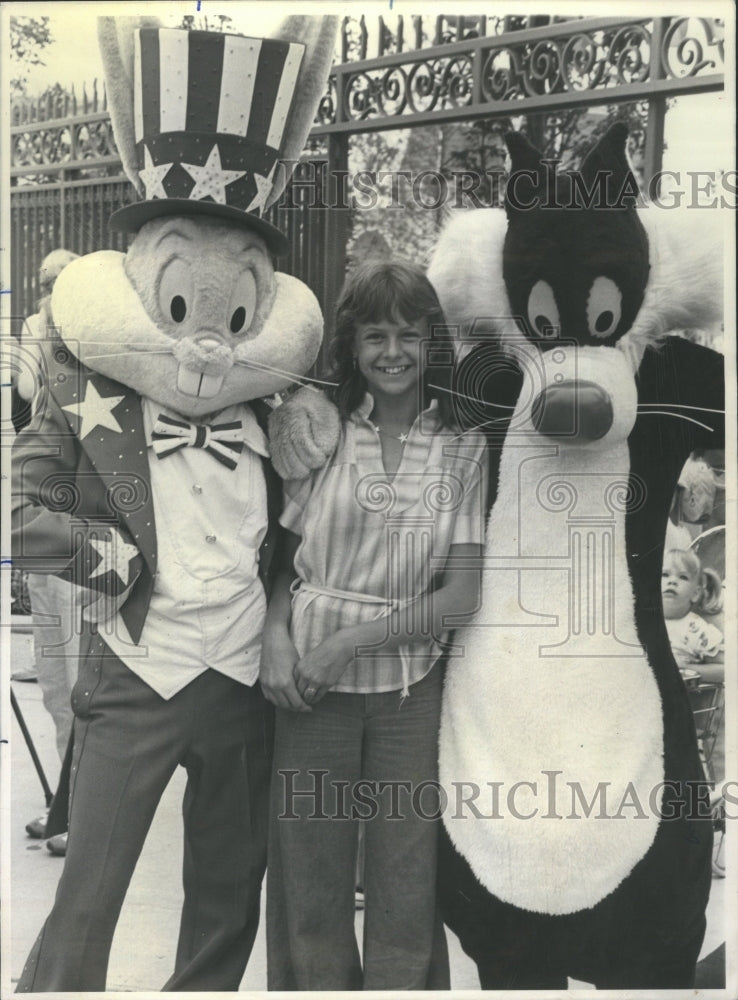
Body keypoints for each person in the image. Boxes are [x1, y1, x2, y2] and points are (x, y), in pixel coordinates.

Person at [261, 260, 488, 990]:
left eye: (409, 336)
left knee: (404, 874)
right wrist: (276, 639)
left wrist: (352, 643)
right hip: (306, 684)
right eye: (375, 337)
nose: (393, 352)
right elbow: (281, 563)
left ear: (432, 343)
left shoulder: (462, 446)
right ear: (352, 347)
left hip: (407, 689)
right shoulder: (320, 430)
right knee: (311, 871)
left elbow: (459, 597)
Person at [13, 250, 81, 854]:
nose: (49, 294)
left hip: (83, 551)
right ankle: (63, 800)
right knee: (56, 688)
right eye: (42, 285)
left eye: (61, 284)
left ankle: (79, 811)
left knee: (84, 687)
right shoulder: (30, 355)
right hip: (41, 552)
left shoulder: (97, 359)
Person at [662, 548, 724, 669]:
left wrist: (684, 669)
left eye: (683, 577)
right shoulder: (639, 621)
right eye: (664, 574)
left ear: (695, 593)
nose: (672, 581)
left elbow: (724, 670)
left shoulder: (696, 630)